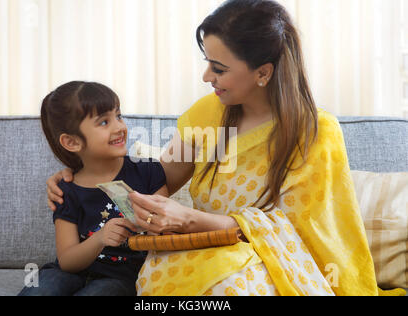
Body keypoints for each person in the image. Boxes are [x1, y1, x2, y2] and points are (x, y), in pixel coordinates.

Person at [46, 1, 405, 296]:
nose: (206, 77)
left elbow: (306, 230)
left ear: (262, 72)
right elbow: (154, 177)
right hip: (197, 250)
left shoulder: (316, 132)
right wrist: (79, 174)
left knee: (231, 289)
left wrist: (191, 219)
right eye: (207, 63)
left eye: (218, 68)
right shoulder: (208, 115)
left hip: (273, 260)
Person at [19, 81, 168, 296]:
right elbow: (68, 261)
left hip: (121, 277)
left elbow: (165, 228)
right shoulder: (66, 190)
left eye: (118, 115)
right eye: (104, 122)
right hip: (70, 272)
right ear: (71, 142)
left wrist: (146, 221)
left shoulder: (148, 173)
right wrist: (100, 238)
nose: (119, 127)